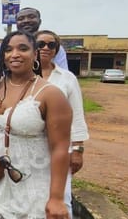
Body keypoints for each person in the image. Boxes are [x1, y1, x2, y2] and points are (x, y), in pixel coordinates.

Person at [0, 31, 72, 219]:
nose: (14, 54)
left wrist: (56, 198)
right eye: (8, 49)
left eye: (23, 48)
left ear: (35, 54)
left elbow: (60, 148)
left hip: (32, 186)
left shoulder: (50, 94)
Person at [36, 30, 90, 218]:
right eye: (40, 44)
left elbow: (76, 114)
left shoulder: (67, 78)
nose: (45, 48)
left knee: (60, 198)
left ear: (56, 50)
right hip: (28, 145)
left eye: (51, 45)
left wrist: (78, 149)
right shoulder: (20, 76)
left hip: (59, 147)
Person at [0, 7, 67, 75]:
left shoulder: (52, 46)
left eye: (31, 17)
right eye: (21, 19)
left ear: (39, 21)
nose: (26, 20)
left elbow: (62, 74)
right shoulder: (2, 46)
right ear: (16, 23)